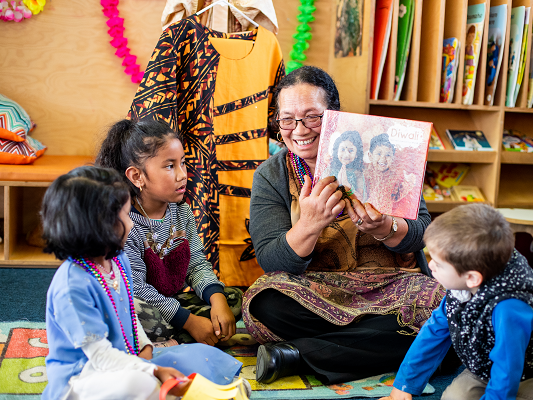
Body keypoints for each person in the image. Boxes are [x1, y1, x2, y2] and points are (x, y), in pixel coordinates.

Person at [242, 65, 446, 385]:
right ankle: (371, 343)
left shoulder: (382, 159)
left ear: (336, 115)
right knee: (263, 301)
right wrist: (309, 224)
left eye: (313, 116)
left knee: (445, 310)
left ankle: (297, 353)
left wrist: (384, 227)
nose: (299, 130)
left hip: (390, 286)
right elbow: (272, 260)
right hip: (315, 292)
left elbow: (420, 233)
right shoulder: (271, 175)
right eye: (287, 119)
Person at [42, 166, 243, 400]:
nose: (131, 222)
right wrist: (152, 369)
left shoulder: (117, 261)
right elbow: (100, 357)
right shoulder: (71, 286)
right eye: (126, 216)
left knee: (197, 356)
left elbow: (130, 316)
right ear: (100, 226)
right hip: (84, 377)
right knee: (137, 382)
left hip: (128, 359)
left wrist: (145, 349)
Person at [381, 203, 533, 400]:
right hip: (486, 365)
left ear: (472, 278)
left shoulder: (510, 308)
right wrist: (404, 385)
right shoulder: (460, 289)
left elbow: (507, 367)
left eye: (439, 264)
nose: (430, 266)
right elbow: (433, 334)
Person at [96, 119, 242, 346]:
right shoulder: (125, 223)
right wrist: (190, 321)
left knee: (232, 298)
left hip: (171, 302)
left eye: (182, 163)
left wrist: (218, 300)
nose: (182, 174)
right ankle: (188, 334)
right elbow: (137, 288)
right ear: (137, 176)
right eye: (169, 166)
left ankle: (180, 337)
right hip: (143, 304)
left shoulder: (182, 213)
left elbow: (197, 265)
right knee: (136, 313)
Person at [364, 133, 417, 217]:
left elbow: (396, 197)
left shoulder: (394, 177)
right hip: (365, 213)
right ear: (370, 156)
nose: (383, 158)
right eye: (378, 153)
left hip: (385, 217)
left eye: (388, 155)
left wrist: (408, 182)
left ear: (393, 158)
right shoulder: (365, 172)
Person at [323, 130, 366, 199]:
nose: (346, 155)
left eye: (351, 150)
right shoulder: (330, 169)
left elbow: (361, 199)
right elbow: (320, 188)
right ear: (337, 151)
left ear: (357, 154)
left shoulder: (358, 173)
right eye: (342, 149)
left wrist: (347, 185)